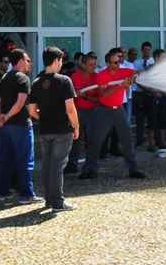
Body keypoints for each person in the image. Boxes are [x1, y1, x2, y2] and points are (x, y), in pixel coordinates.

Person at [27, 47, 79, 212]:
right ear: (56, 60)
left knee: (47, 165)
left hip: (44, 129)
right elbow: (70, 109)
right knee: (58, 165)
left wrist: (44, 117)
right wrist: (76, 126)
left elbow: (31, 110)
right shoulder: (64, 80)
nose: (62, 63)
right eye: (61, 60)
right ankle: (57, 202)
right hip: (62, 129)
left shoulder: (36, 81)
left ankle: (49, 199)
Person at [87, 49, 146, 181]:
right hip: (104, 110)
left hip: (119, 109)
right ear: (108, 63)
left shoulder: (124, 71)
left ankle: (133, 169)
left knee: (127, 140)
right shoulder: (101, 75)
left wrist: (135, 76)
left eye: (119, 61)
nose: (118, 64)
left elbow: (138, 73)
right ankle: (90, 169)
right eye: (115, 62)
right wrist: (121, 85)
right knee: (96, 140)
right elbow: (103, 95)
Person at [0, 48, 40, 205]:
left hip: (5, 126)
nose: (29, 63)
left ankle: (2, 191)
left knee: (5, 159)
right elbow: (21, 103)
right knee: (26, 160)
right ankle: (26, 194)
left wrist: (0, 117)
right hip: (20, 125)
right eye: (27, 60)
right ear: (20, 61)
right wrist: (6, 116)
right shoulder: (23, 78)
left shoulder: (4, 77)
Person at [132, 41, 154, 147]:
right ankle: (139, 139)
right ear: (142, 50)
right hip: (139, 93)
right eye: (145, 50)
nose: (147, 52)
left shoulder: (153, 62)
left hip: (150, 94)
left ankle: (151, 141)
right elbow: (135, 78)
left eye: (148, 50)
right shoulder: (136, 63)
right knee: (139, 118)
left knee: (151, 118)